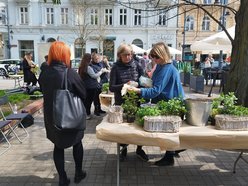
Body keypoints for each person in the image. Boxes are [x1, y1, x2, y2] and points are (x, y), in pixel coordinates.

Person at [128, 42, 185, 166]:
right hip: (165, 101)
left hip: (170, 103)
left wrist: (138, 90)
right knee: (166, 131)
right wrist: (140, 83)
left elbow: (156, 90)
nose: (153, 59)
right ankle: (172, 150)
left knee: (167, 131)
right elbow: (154, 82)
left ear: (163, 55)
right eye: (152, 56)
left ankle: (169, 156)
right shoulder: (160, 66)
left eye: (156, 56)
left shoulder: (167, 68)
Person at [38, 41, 87, 186]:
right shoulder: (69, 73)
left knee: (58, 146)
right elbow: (83, 93)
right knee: (77, 143)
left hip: (52, 117)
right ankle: (78, 173)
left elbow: (43, 90)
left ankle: (62, 178)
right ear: (65, 55)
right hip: (71, 116)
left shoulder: (44, 73)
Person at [109, 43, 148, 162]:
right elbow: (111, 87)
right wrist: (124, 85)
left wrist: (141, 85)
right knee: (123, 129)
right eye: (125, 55)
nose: (128, 57)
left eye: (130, 54)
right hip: (122, 102)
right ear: (119, 55)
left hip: (136, 101)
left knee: (139, 126)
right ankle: (123, 150)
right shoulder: (115, 67)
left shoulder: (137, 65)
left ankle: (139, 149)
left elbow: (143, 81)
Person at [78, 53, 108, 120]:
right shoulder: (88, 67)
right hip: (91, 86)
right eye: (90, 58)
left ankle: (86, 113)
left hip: (85, 86)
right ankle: (87, 114)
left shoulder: (81, 67)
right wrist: (101, 71)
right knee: (89, 101)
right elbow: (94, 76)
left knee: (87, 101)